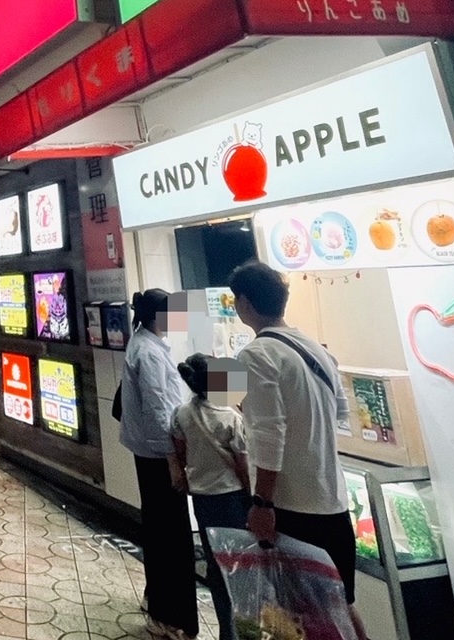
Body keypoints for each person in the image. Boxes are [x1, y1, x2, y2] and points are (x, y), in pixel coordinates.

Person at [229, 261, 367, 640]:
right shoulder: (315, 348)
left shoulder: (255, 356)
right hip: (332, 501)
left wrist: (263, 504)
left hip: (291, 507)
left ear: (243, 304)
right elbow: (340, 412)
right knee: (340, 607)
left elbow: (268, 434)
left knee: (297, 615)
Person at [119, 288, 196, 640]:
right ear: (156, 317)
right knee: (171, 535)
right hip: (157, 456)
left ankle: (158, 601)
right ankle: (166, 615)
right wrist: (173, 459)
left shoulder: (143, 343)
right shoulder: (148, 352)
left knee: (160, 529)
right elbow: (158, 407)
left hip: (149, 452)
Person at [171, 354, 251, 640]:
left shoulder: (181, 413)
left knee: (217, 569)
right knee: (241, 569)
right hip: (232, 500)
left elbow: (180, 452)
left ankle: (225, 632)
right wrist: (253, 498)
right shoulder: (230, 418)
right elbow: (242, 465)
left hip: (203, 500)